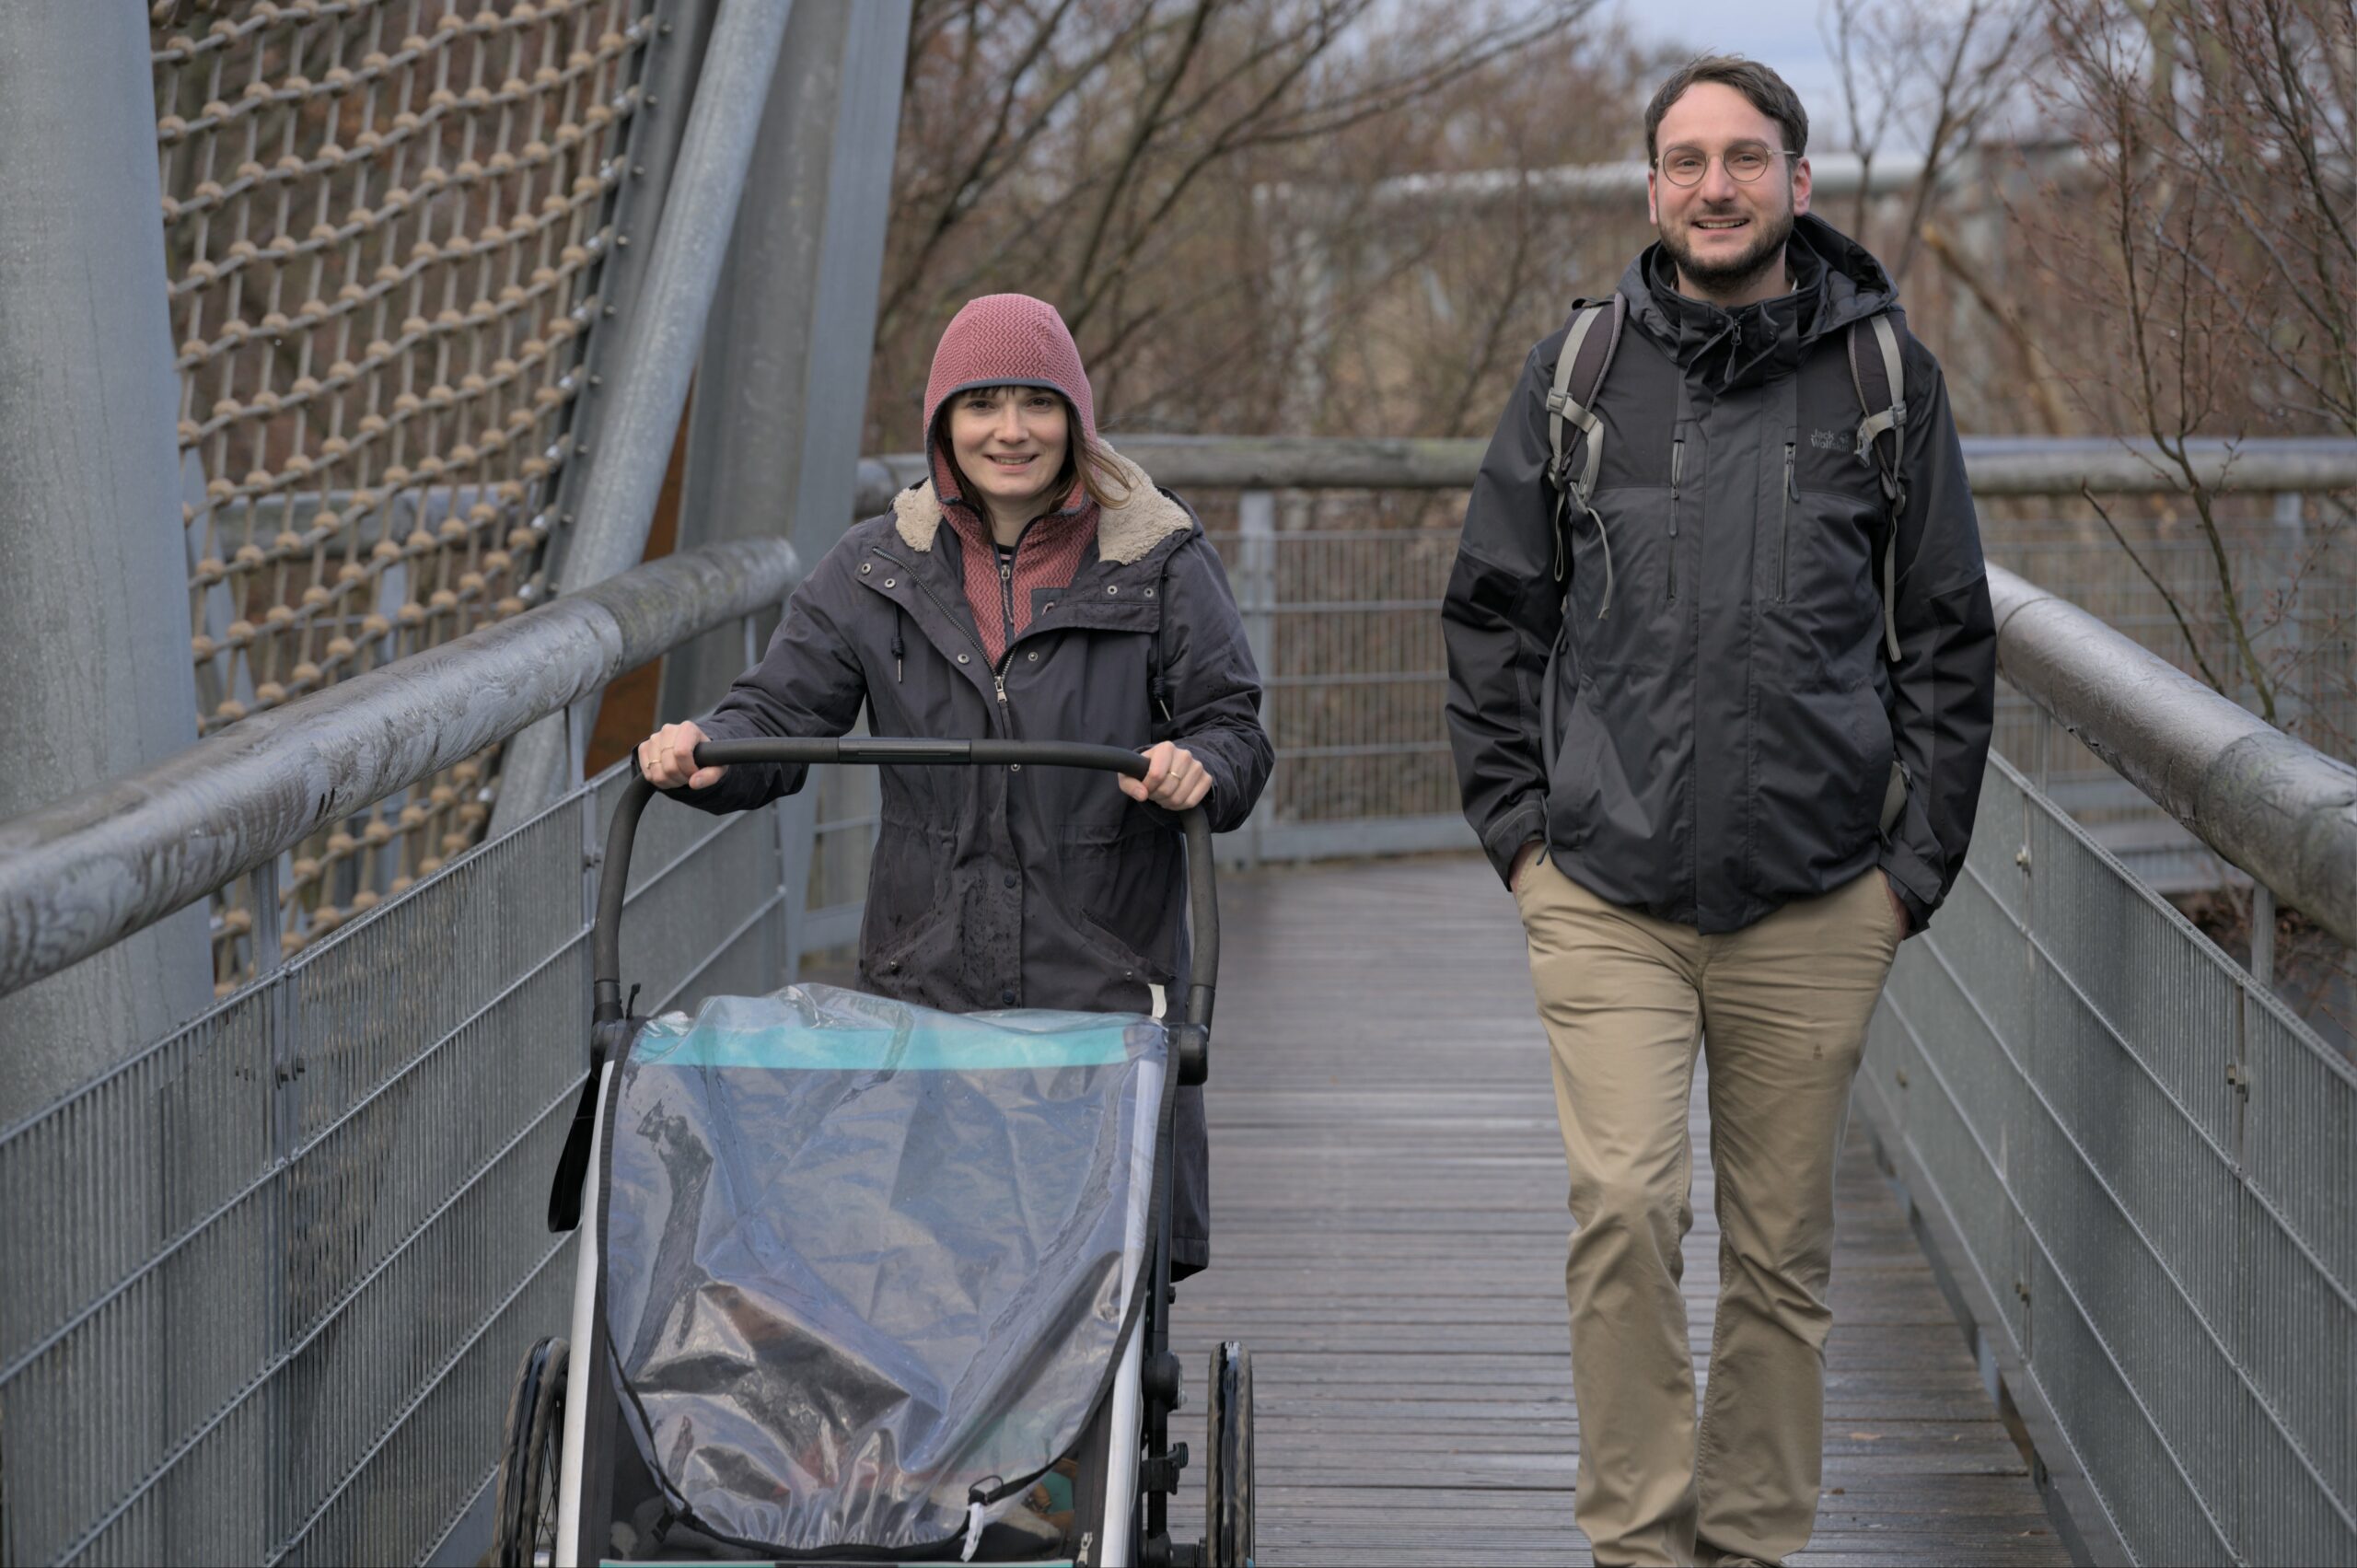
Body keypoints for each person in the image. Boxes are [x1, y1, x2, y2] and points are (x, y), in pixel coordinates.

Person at [1441, 55, 1997, 1568]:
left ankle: (1749, 1546)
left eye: (1744, 157)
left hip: (1817, 897)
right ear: (1652, 189)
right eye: (1685, 160)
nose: (1715, 185)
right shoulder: (1581, 372)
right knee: (1625, 1209)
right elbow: (1493, 613)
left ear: (1798, 182)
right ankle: (1639, 1542)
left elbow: (1949, 634)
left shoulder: (1885, 378)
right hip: (1603, 887)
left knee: (1780, 1251)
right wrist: (1521, 837)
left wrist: (1909, 873)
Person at [641, 293, 1271, 1280]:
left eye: (1037, 402)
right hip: (926, 977)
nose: (1010, 431)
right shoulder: (873, 567)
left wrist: (1203, 766)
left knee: (1090, 1268)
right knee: (927, 1272)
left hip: (1099, 979)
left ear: (1075, 418)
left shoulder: (1162, 562)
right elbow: (778, 712)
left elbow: (1231, 728)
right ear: (943, 422)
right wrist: (707, 748)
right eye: (982, 404)